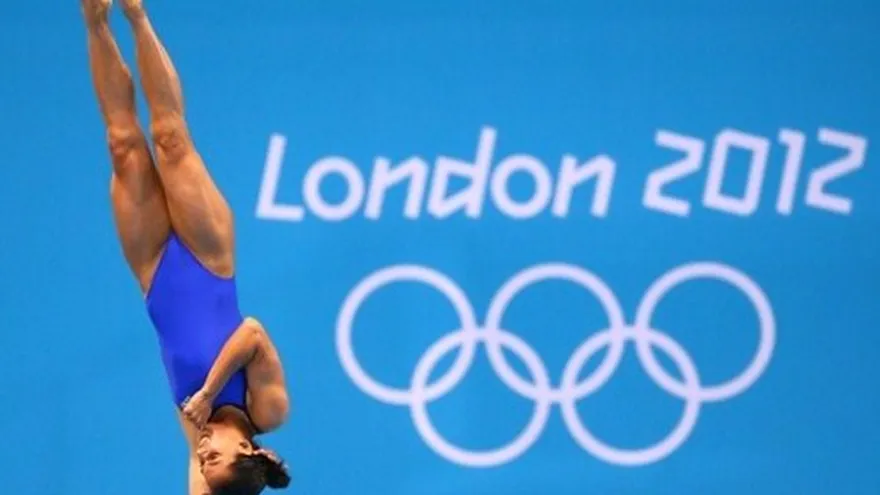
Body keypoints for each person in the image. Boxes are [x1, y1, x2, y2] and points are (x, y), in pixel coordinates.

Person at [80, 0, 292, 493]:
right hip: (209, 260)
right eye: (212, 457)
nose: (202, 453)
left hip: (154, 273)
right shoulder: (269, 410)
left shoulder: (200, 442)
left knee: (123, 145)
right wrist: (209, 393)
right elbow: (253, 334)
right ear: (248, 450)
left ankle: (94, 24)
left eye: (203, 464)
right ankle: (136, 16)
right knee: (171, 138)